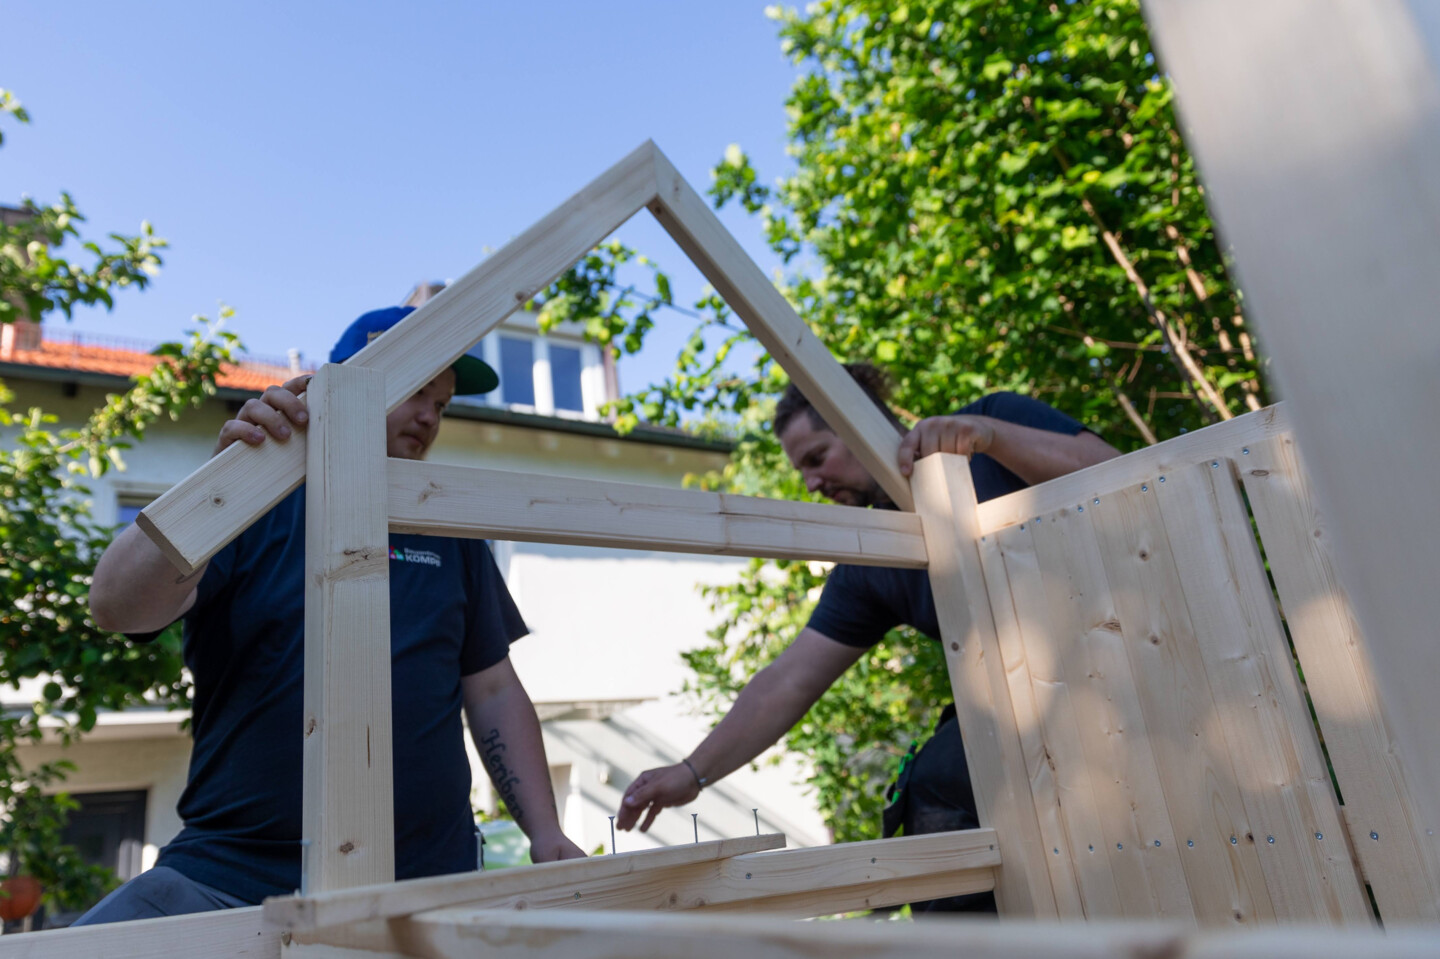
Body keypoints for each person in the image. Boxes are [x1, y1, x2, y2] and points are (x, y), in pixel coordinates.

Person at [80, 306, 584, 924]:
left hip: (430, 890)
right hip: (236, 882)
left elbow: (493, 688)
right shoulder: (254, 499)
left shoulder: (445, 526)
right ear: (335, 384)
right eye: (416, 389)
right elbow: (115, 606)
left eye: (443, 403)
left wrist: (547, 833)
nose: (430, 415)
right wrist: (218, 491)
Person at [616, 364, 1119, 912]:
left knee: (944, 778)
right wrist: (692, 772)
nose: (811, 482)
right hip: (1024, 711)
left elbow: (1114, 472)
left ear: (858, 423)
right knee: (935, 782)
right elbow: (787, 681)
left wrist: (987, 437)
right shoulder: (875, 561)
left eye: (816, 458)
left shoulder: (993, 424)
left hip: (1129, 657)